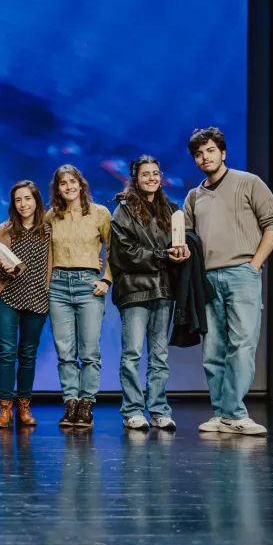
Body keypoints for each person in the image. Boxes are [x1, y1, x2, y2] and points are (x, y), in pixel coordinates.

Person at [184, 127, 273, 436]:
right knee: (213, 348)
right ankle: (221, 413)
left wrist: (254, 265)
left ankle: (235, 412)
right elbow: (185, 238)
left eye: (210, 151)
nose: (205, 157)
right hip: (208, 278)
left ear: (222, 152)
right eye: (199, 154)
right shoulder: (193, 196)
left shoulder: (248, 182)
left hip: (242, 273)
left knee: (241, 345)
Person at [110, 156, 189, 431]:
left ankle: (158, 410)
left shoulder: (171, 209)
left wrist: (182, 250)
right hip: (134, 291)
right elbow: (124, 253)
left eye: (155, 173)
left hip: (163, 289)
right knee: (132, 354)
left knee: (159, 356)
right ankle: (132, 410)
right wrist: (162, 255)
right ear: (135, 178)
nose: (152, 178)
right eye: (146, 174)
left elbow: (178, 243)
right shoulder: (123, 211)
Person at [47, 164, 112, 429]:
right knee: (65, 352)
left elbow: (115, 250)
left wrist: (107, 279)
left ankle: (87, 404)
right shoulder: (51, 216)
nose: (69, 187)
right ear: (58, 189)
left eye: (72, 181)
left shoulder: (100, 213)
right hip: (58, 286)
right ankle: (70, 402)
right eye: (63, 183)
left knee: (89, 352)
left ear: (81, 184)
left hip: (89, 284)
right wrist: (0, 232)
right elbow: (27, 232)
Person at [0, 180, 52, 429]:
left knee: (28, 354)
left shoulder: (49, 229)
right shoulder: (3, 230)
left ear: (36, 200)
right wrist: (2, 268)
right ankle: (5, 408)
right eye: (18, 200)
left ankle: (24, 405)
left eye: (28, 198)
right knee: (6, 353)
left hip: (37, 298)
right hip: (7, 298)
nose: (23, 204)